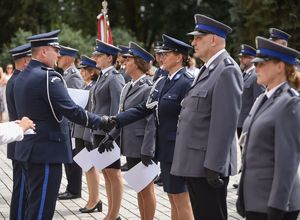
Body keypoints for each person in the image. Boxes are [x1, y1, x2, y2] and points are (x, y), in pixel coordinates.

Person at [13, 30, 112, 220]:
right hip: (46, 152)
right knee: (41, 209)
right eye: (55, 50)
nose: (58, 54)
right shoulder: (49, 78)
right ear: (43, 52)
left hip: (28, 148)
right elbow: (72, 111)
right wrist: (102, 121)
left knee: (31, 204)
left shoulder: (23, 76)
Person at [104, 34, 195, 220]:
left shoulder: (186, 82)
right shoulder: (163, 81)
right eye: (161, 54)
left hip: (178, 147)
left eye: (166, 54)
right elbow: (145, 109)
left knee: (181, 197)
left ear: (179, 57)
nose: (160, 58)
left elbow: (189, 119)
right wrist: (117, 120)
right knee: (172, 196)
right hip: (166, 148)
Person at [170, 14, 243, 220]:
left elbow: (224, 124)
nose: (193, 42)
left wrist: (214, 166)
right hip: (196, 163)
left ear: (213, 39)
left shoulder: (226, 70)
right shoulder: (209, 69)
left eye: (198, 37)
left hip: (208, 167)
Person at [236, 37, 300, 220]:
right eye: (255, 64)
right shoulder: (263, 99)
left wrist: (277, 207)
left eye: (262, 64)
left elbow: (287, 163)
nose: (256, 68)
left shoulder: (290, 103)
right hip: (256, 200)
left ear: (280, 66)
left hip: (274, 205)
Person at [99, 42, 156, 220]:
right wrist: (111, 136)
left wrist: (148, 150)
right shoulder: (127, 86)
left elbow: (151, 122)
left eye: (128, 59)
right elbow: (122, 116)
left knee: (147, 189)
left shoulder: (148, 87)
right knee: (140, 188)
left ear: (139, 63)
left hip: (141, 146)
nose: (124, 62)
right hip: (130, 145)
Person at [92, 39, 125, 220]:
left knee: (114, 173)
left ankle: (114, 214)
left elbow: (116, 110)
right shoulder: (102, 76)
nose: (95, 57)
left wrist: (112, 135)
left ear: (109, 58)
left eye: (99, 55)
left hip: (108, 134)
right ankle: (111, 213)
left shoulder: (114, 77)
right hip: (98, 132)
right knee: (106, 173)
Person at [73, 55, 102, 213]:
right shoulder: (86, 86)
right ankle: (92, 198)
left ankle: (95, 199)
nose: (81, 72)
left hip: (88, 131)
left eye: (84, 69)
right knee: (86, 166)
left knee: (91, 167)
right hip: (80, 130)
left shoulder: (94, 87)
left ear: (92, 72)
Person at [6, 43, 32, 220]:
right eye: (30, 60)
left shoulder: (14, 80)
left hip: (18, 142)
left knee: (21, 188)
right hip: (21, 141)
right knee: (21, 189)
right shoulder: (19, 82)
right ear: (24, 61)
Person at [57, 45, 85, 200]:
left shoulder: (73, 76)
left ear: (68, 59)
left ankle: (74, 190)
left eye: (61, 57)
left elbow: (75, 103)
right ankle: (71, 188)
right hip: (68, 124)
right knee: (69, 157)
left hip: (72, 125)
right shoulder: (66, 74)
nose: (58, 59)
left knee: (73, 159)